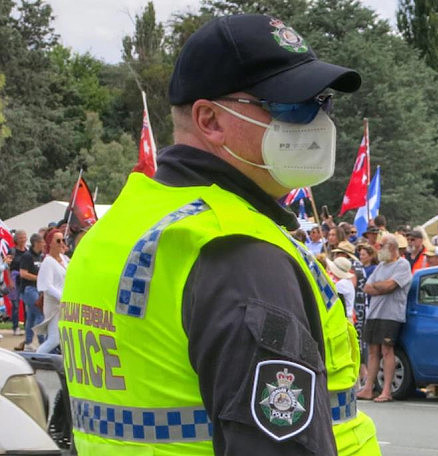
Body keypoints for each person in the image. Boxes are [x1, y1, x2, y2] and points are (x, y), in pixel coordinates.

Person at [59, 14, 379, 455]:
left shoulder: (116, 230)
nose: (318, 123)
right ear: (209, 119)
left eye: (323, 103)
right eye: (291, 106)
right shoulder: (240, 253)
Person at [358, 234, 412, 403]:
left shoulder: (402, 265)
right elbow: (367, 287)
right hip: (374, 313)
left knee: (387, 351)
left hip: (391, 315)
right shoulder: (380, 266)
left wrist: (380, 287)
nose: (378, 248)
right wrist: (381, 287)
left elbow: (391, 286)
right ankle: (368, 387)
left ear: (392, 247)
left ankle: (387, 390)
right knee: (373, 351)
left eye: (381, 245)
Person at [34, 229, 69, 354]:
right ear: (50, 243)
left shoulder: (64, 258)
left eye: (63, 240)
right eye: (58, 240)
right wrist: (62, 297)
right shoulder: (48, 262)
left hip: (64, 303)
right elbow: (47, 286)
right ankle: (37, 358)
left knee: (63, 337)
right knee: (54, 339)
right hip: (54, 305)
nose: (61, 243)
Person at [17, 233, 45, 351]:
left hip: (36, 289)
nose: (44, 244)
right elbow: (23, 273)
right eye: (42, 242)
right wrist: (38, 278)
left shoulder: (40, 256)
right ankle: (43, 342)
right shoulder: (27, 256)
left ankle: (28, 343)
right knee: (39, 314)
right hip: (28, 289)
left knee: (32, 317)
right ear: (36, 243)